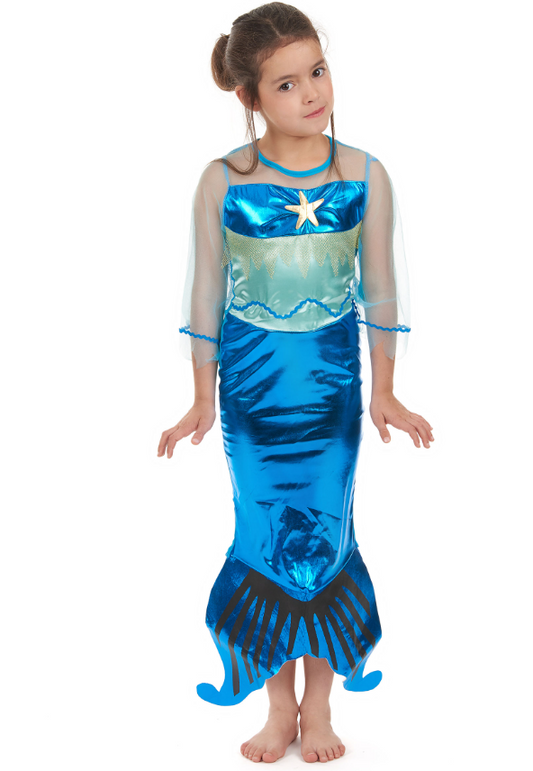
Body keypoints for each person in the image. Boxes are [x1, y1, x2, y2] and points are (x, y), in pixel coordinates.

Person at [158, 2, 434, 763]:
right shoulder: (223, 181)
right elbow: (205, 294)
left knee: (325, 534)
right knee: (264, 535)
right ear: (249, 96)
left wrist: (384, 390)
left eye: (317, 70)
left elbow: (380, 290)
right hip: (252, 393)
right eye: (286, 84)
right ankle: (277, 706)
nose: (311, 92)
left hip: (329, 387)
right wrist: (201, 398)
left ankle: (320, 706)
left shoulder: (363, 174)